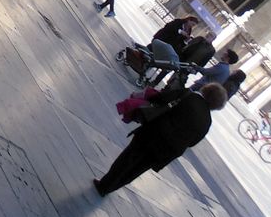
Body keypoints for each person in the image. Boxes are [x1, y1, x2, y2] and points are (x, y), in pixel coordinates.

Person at [93, 84, 228, 198]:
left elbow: (160, 98)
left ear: (207, 90)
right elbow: (192, 143)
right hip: (167, 150)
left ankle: (104, 185)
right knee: (138, 168)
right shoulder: (207, 122)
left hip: (154, 133)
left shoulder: (189, 96)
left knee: (128, 158)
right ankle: (112, 187)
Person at [145, 15, 200, 82]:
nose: (192, 26)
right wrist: (179, 31)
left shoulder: (189, 30)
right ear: (189, 20)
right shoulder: (178, 22)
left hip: (169, 46)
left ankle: (146, 72)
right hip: (162, 39)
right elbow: (168, 27)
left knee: (157, 58)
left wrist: (186, 41)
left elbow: (181, 41)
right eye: (192, 24)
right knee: (150, 51)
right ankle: (142, 63)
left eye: (193, 25)